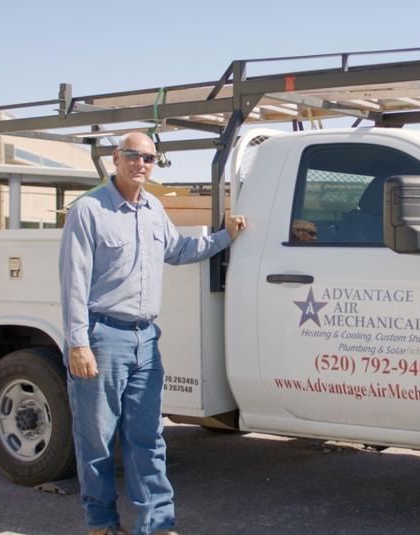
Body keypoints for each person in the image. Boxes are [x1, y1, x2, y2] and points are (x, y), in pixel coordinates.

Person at [59, 132, 246, 535]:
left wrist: (225, 236)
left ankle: (157, 525)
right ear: (116, 158)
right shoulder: (89, 210)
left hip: (146, 340)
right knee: (97, 441)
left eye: (148, 157)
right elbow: (73, 281)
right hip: (102, 338)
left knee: (148, 439)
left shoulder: (153, 208)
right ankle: (101, 524)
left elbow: (178, 250)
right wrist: (78, 343)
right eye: (133, 155)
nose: (141, 163)